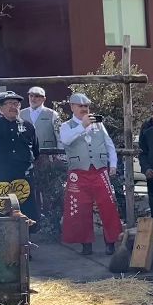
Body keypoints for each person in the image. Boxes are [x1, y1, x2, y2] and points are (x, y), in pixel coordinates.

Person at [58, 93, 122, 255]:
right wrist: (82, 126)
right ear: (72, 107)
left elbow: (109, 145)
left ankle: (110, 242)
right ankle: (85, 244)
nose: (84, 109)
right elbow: (66, 140)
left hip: (99, 170)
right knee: (80, 209)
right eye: (80, 106)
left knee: (108, 206)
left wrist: (113, 164)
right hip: (78, 172)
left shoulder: (98, 124)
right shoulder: (66, 126)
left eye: (86, 106)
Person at [0, 91, 40, 223]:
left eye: (16, 104)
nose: (13, 107)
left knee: (26, 211)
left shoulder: (28, 127)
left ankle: (28, 234)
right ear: (1, 108)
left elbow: (35, 151)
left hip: (23, 177)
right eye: (9, 103)